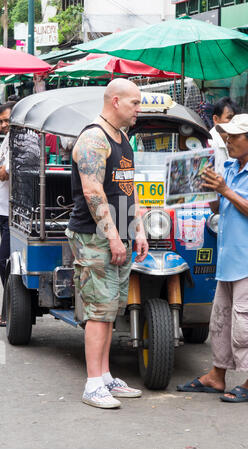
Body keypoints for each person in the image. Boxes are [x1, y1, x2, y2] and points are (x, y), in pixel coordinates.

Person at [177, 114, 248, 403]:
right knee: (221, 323)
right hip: (229, 260)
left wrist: (224, 190)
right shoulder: (231, 167)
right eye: (227, 135)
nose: (229, 140)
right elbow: (220, 207)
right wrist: (212, 191)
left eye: (235, 136)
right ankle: (216, 375)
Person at [66, 78, 148, 409]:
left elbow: (129, 188)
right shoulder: (93, 140)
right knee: (99, 311)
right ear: (115, 101)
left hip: (121, 236)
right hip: (95, 237)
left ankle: (105, 376)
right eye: (135, 103)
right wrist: (113, 236)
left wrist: (138, 229)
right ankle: (92, 384)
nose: (138, 110)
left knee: (111, 309)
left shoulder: (123, 139)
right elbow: (93, 192)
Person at [0, 101, 16, 326]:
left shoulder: (22, 141)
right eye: (1, 121)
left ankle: (11, 308)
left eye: (7, 120)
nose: (4, 124)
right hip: (2, 207)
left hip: (12, 211)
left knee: (4, 261)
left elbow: (4, 173)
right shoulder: (7, 141)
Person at [208, 97, 240, 175]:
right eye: (229, 118)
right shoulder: (209, 144)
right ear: (216, 119)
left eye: (236, 119)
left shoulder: (236, 141)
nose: (234, 123)